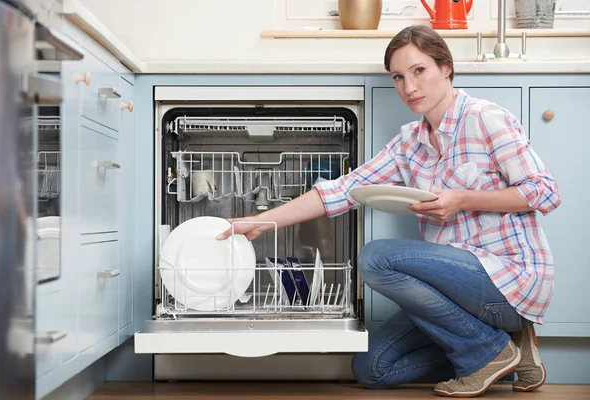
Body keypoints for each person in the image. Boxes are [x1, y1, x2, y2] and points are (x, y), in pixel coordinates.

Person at [217, 25, 560, 398]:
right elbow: (344, 190)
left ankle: (487, 350)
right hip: (456, 291)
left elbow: (543, 191)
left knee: (376, 258)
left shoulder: (485, 119)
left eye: (419, 71)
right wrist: (260, 222)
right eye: (398, 77)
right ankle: (505, 353)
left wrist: (462, 199)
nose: (409, 87)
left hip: (508, 282)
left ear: (445, 67)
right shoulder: (409, 142)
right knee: (373, 369)